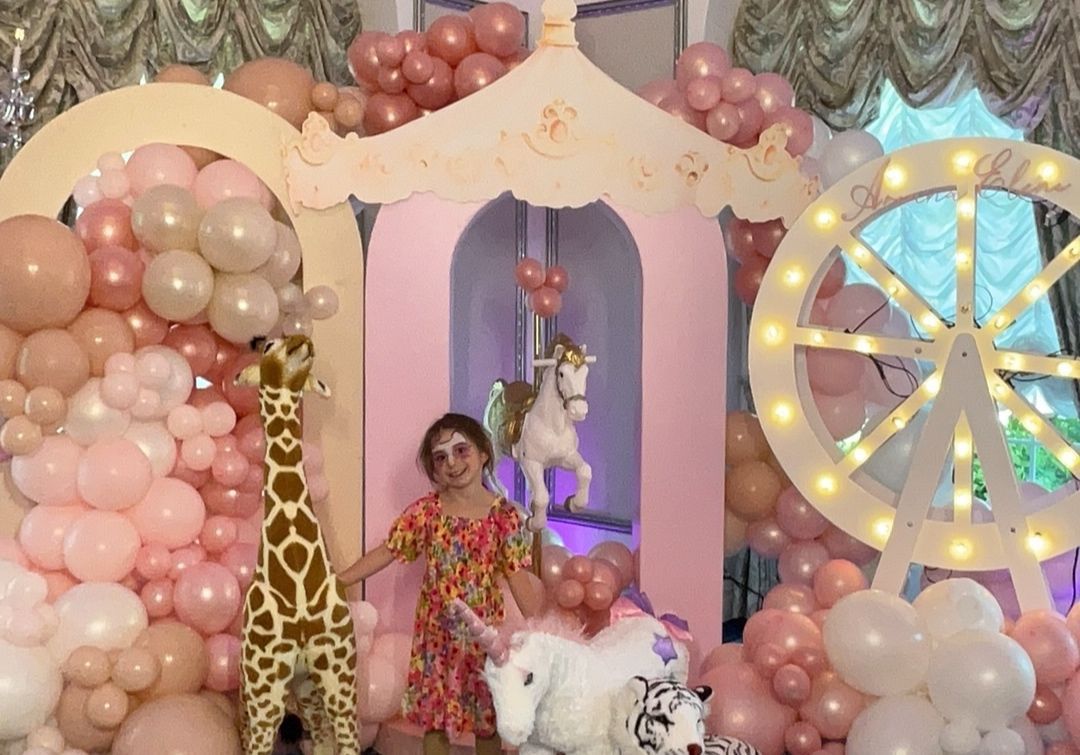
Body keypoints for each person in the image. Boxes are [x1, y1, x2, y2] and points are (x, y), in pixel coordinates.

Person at [340, 413, 541, 755]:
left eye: (462, 450)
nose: (452, 463)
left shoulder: (504, 517)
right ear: (434, 469)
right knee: (435, 721)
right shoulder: (427, 512)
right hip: (436, 639)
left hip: (483, 639)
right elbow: (388, 550)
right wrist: (339, 580)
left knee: (487, 718)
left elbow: (517, 574)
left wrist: (543, 629)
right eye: (440, 457)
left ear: (483, 453)